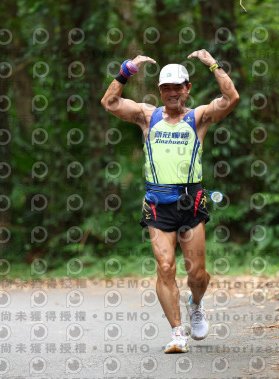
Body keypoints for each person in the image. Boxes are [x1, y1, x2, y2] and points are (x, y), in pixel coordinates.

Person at [100, 49, 239, 353]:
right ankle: (177, 333)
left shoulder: (198, 118)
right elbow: (109, 102)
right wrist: (126, 70)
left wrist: (213, 65)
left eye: (178, 87)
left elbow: (231, 98)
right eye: (167, 88)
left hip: (191, 202)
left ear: (188, 89)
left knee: (197, 274)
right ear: (160, 90)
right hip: (157, 202)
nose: (173, 93)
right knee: (165, 267)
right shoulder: (147, 116)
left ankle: (196, 304)